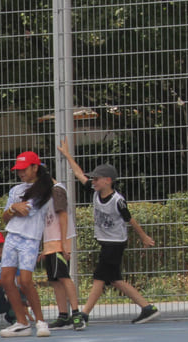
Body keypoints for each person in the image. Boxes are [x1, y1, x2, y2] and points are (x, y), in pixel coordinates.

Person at [56, 140, 158, 326]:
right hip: (105, 242)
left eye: (96, 179)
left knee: (99, 278)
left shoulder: (117, 200)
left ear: (108, 181)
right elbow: (79, 173)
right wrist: (68, 155)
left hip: (115, 244)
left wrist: (144, 237)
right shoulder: (95, 192)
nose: (93, 181)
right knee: (116, 280)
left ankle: (84, 314)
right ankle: (147, 308)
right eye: (93, 179)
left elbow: (130, 219)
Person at [0, 151, 55, 338]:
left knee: (25, 281)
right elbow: (6, 216)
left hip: (30, 239)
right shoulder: (15, 190)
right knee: (6, 280)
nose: (21, 173)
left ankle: (40, 321)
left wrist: (14, 208)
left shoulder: (45, 190)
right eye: (18, 170)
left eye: (24, 169)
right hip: (12, 236)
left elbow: (25, 211)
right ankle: (22, 322)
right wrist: (13, 208)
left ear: (35, 167)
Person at [39, 168, 85, 330]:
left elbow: (63, 216)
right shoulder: (45, 194)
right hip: (50, 244)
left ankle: (76, 313)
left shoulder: (57, 190)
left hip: (59, 243)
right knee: (54, 280)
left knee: (64, 277)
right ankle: (63, 315)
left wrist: (65, 244)